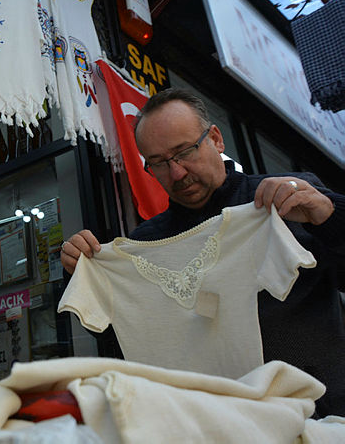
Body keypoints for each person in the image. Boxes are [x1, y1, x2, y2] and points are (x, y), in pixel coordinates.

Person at [60, 88, 345, 416]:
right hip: (214, 425)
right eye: (158, 163)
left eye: (184, 152)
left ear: (216, 139)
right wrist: (87, 275)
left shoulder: (285, 200)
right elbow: (127, 337)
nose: (177, 173)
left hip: (318, 417)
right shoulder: (147, 244)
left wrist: (327, 215)